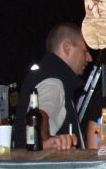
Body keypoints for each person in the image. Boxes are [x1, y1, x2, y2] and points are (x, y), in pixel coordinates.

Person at [15, 22, 92, 150]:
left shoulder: (46, 75)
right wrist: (43, 141)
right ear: (67, 48)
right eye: (85, 51)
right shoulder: (54, 83)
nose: (89, 58)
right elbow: (40, 115)